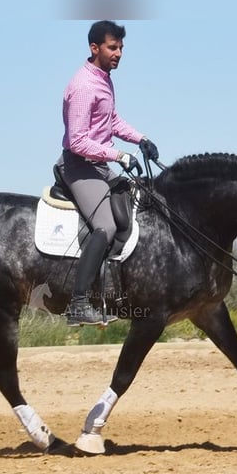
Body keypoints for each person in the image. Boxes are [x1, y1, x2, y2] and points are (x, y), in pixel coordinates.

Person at [57, 20, 160, 326]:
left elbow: (110, 121)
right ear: (94, 48)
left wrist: (141, 138)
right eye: (112, 48)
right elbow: (77, 140)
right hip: (79, 166)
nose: (118, 54)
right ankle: (78, 304)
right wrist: (119, 155)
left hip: (99, 166)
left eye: (121, 48)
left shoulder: (104, 79)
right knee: (106, 226)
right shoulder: (83, 85)